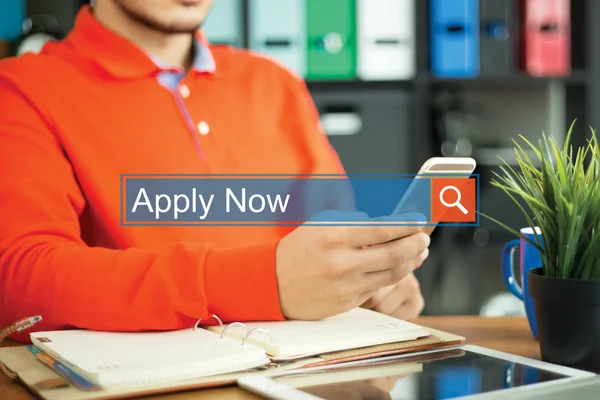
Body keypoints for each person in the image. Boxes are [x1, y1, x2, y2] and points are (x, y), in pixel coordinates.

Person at [0, 0, 430, 340]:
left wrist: (371, 280)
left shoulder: (274, 81)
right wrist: (265, 282)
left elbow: (335, 233)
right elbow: (21, 282)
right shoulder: (22, 87)